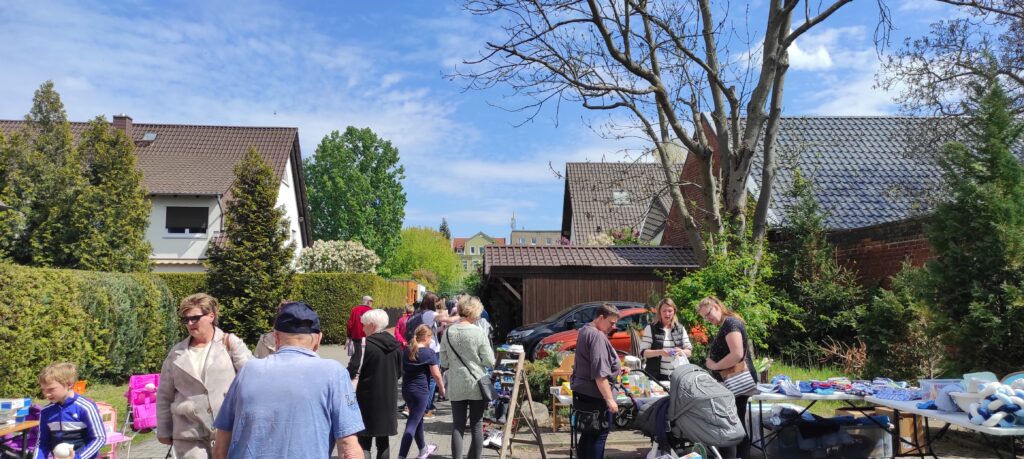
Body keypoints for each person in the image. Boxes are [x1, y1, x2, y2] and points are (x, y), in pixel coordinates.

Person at [212, 301, 364, 459]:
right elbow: (349, 449)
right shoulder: (334, 372)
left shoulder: (248, 370)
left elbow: (221, 444)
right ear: (318, 339)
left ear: (276, 338)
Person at [157, 293, 251, 459]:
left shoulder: (230, 343)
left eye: (195, 318)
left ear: (211, 316)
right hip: (188, 435)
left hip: (227, 430)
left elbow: (253, 378)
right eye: (186, 320)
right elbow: (164, 395)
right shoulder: (176, 352)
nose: (190, 324)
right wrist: (164, 430)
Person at [698, 296, 755, 459]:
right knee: (735, 423)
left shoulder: (731, 323)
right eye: (705, 317)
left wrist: (714, 366)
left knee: (730, 425)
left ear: (716, 307)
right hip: (731, 380)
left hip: (736, 380)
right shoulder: (727, 324)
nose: (708, 319)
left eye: (708, 314)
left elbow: (737, 354)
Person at [440, 296, 497, 459]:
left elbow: (443, 361)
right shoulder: (478, 332)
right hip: (476, 383)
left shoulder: (449, 331)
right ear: (475, 312)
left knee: (457, 426)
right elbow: (489, 360)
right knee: (477, 426)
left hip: (456, 382)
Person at [570, 303, 622, 459]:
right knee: (598, 435)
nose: (613, 327)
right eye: (611, 323)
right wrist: (610, 399)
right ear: (601, 317)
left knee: (588, 434)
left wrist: (617, 369)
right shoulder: (597, 335)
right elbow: (600, 374)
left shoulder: (585, 330)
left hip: (583, 392)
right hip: (596, 396)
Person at [348, 309, 402, 459]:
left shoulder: (364, 345)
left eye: (364, 325)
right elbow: (399, 372)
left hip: (366, 399)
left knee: (364, 441)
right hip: (388, 398)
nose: (363, 328)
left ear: (372, 325)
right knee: (383, 441)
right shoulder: (396, 345)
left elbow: (352, 370)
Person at [34, 362, 106, 459]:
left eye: (51, 389)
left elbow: (99, 438)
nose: (46, 394)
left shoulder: (86, 407)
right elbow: (42, 442)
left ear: (69, 384)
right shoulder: (46, 411)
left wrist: (78, 458)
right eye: (43, 390)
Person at [399, 325, 445, 459]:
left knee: (417, 419)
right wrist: (441, 388)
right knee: (412, 424)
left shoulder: (406, 351)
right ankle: (401, 456)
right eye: (430, 338)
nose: (431, 341)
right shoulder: (428, 353)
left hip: (407, 390)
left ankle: (423, 449)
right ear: (426, 337)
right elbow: (436, 374)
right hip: (420, 392)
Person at [639, 298, 693, 382]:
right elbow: (643, 352)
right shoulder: (651, 328)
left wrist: (681, 351)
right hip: (656, 377)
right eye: (664, 311)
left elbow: (689, 352)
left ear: (674, 312)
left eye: (670, 311)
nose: (667, 314)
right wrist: (660, 352)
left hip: (677, 376)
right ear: (659, 312)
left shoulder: (680, 328)